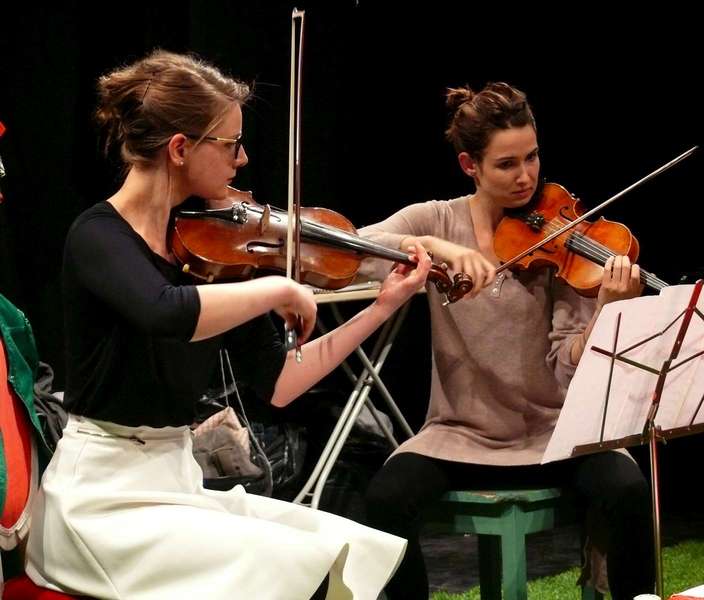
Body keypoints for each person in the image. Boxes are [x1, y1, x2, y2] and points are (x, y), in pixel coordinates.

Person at [23, 49, 432, 600]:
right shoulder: (97, 237)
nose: (242, 159)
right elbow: (165, 311)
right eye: (230, 143)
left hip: (176, 485)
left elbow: (281, 382)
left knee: (358, 550)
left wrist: (380, 308)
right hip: (101, 504)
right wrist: (277, 288)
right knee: (298, 568)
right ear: (179, 149)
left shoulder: (210, 253)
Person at [357, 82, 655, 599]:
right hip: (459, 433)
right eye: (506, 164)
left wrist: (606, 309)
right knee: (385, 500)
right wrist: (430, 247)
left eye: (532, 157)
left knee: (628, 490)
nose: (526, 177)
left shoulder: (563, 236)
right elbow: (353, 246)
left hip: (555, 434)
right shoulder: (436, 219)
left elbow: (566, 366)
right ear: (469, 165)